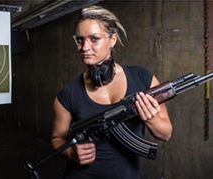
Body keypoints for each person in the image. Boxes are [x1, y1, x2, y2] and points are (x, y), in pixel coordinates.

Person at [51, 5, 172, 179]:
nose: (84, 47)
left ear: (112, 39)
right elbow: (57, 138)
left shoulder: (143, 78)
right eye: (80, 40)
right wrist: (71, 153)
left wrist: (150, 117)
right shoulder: (68, 93)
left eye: (94, 39)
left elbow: (166, 133)